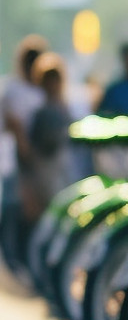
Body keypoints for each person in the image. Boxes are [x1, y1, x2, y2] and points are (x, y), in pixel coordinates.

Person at [0, 35, 48, 270]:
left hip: (40, 162)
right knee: (15, 211)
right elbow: (13, 124)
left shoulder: (42, 89)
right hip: (18, 162)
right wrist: (26, 153)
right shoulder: (14, 89)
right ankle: (15, 262)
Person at [19, 52, 73, 228]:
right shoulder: (39, 114)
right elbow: (29, 153)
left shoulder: (68, 111)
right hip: (43, 179)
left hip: (65, 178)